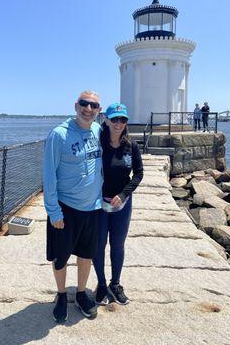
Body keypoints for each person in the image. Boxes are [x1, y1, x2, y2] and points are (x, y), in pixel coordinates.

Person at [43, 90, 102, 323]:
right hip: (65, 209)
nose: (88, 109)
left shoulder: (98, 130)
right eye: (84, 104)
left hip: (93, 207)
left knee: (87, 255)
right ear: (76, 105)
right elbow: (48, 175)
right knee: (61, 257)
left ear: (99, 110)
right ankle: (60, 295)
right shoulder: (59, 135)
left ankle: (80, 293)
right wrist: (53, 211)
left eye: (94, 105)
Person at [93, 102, 143, 306]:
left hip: (122, 204)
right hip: (99, 204)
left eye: (123, 119)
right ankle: (102, 284)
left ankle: (115, 283)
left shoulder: (131, 145)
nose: (119, 123)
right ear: (106, 119)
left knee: (118, 244)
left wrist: (123, 195)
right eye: (115, 119)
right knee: (99, 245)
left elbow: (138, 173)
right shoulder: (97, 143)